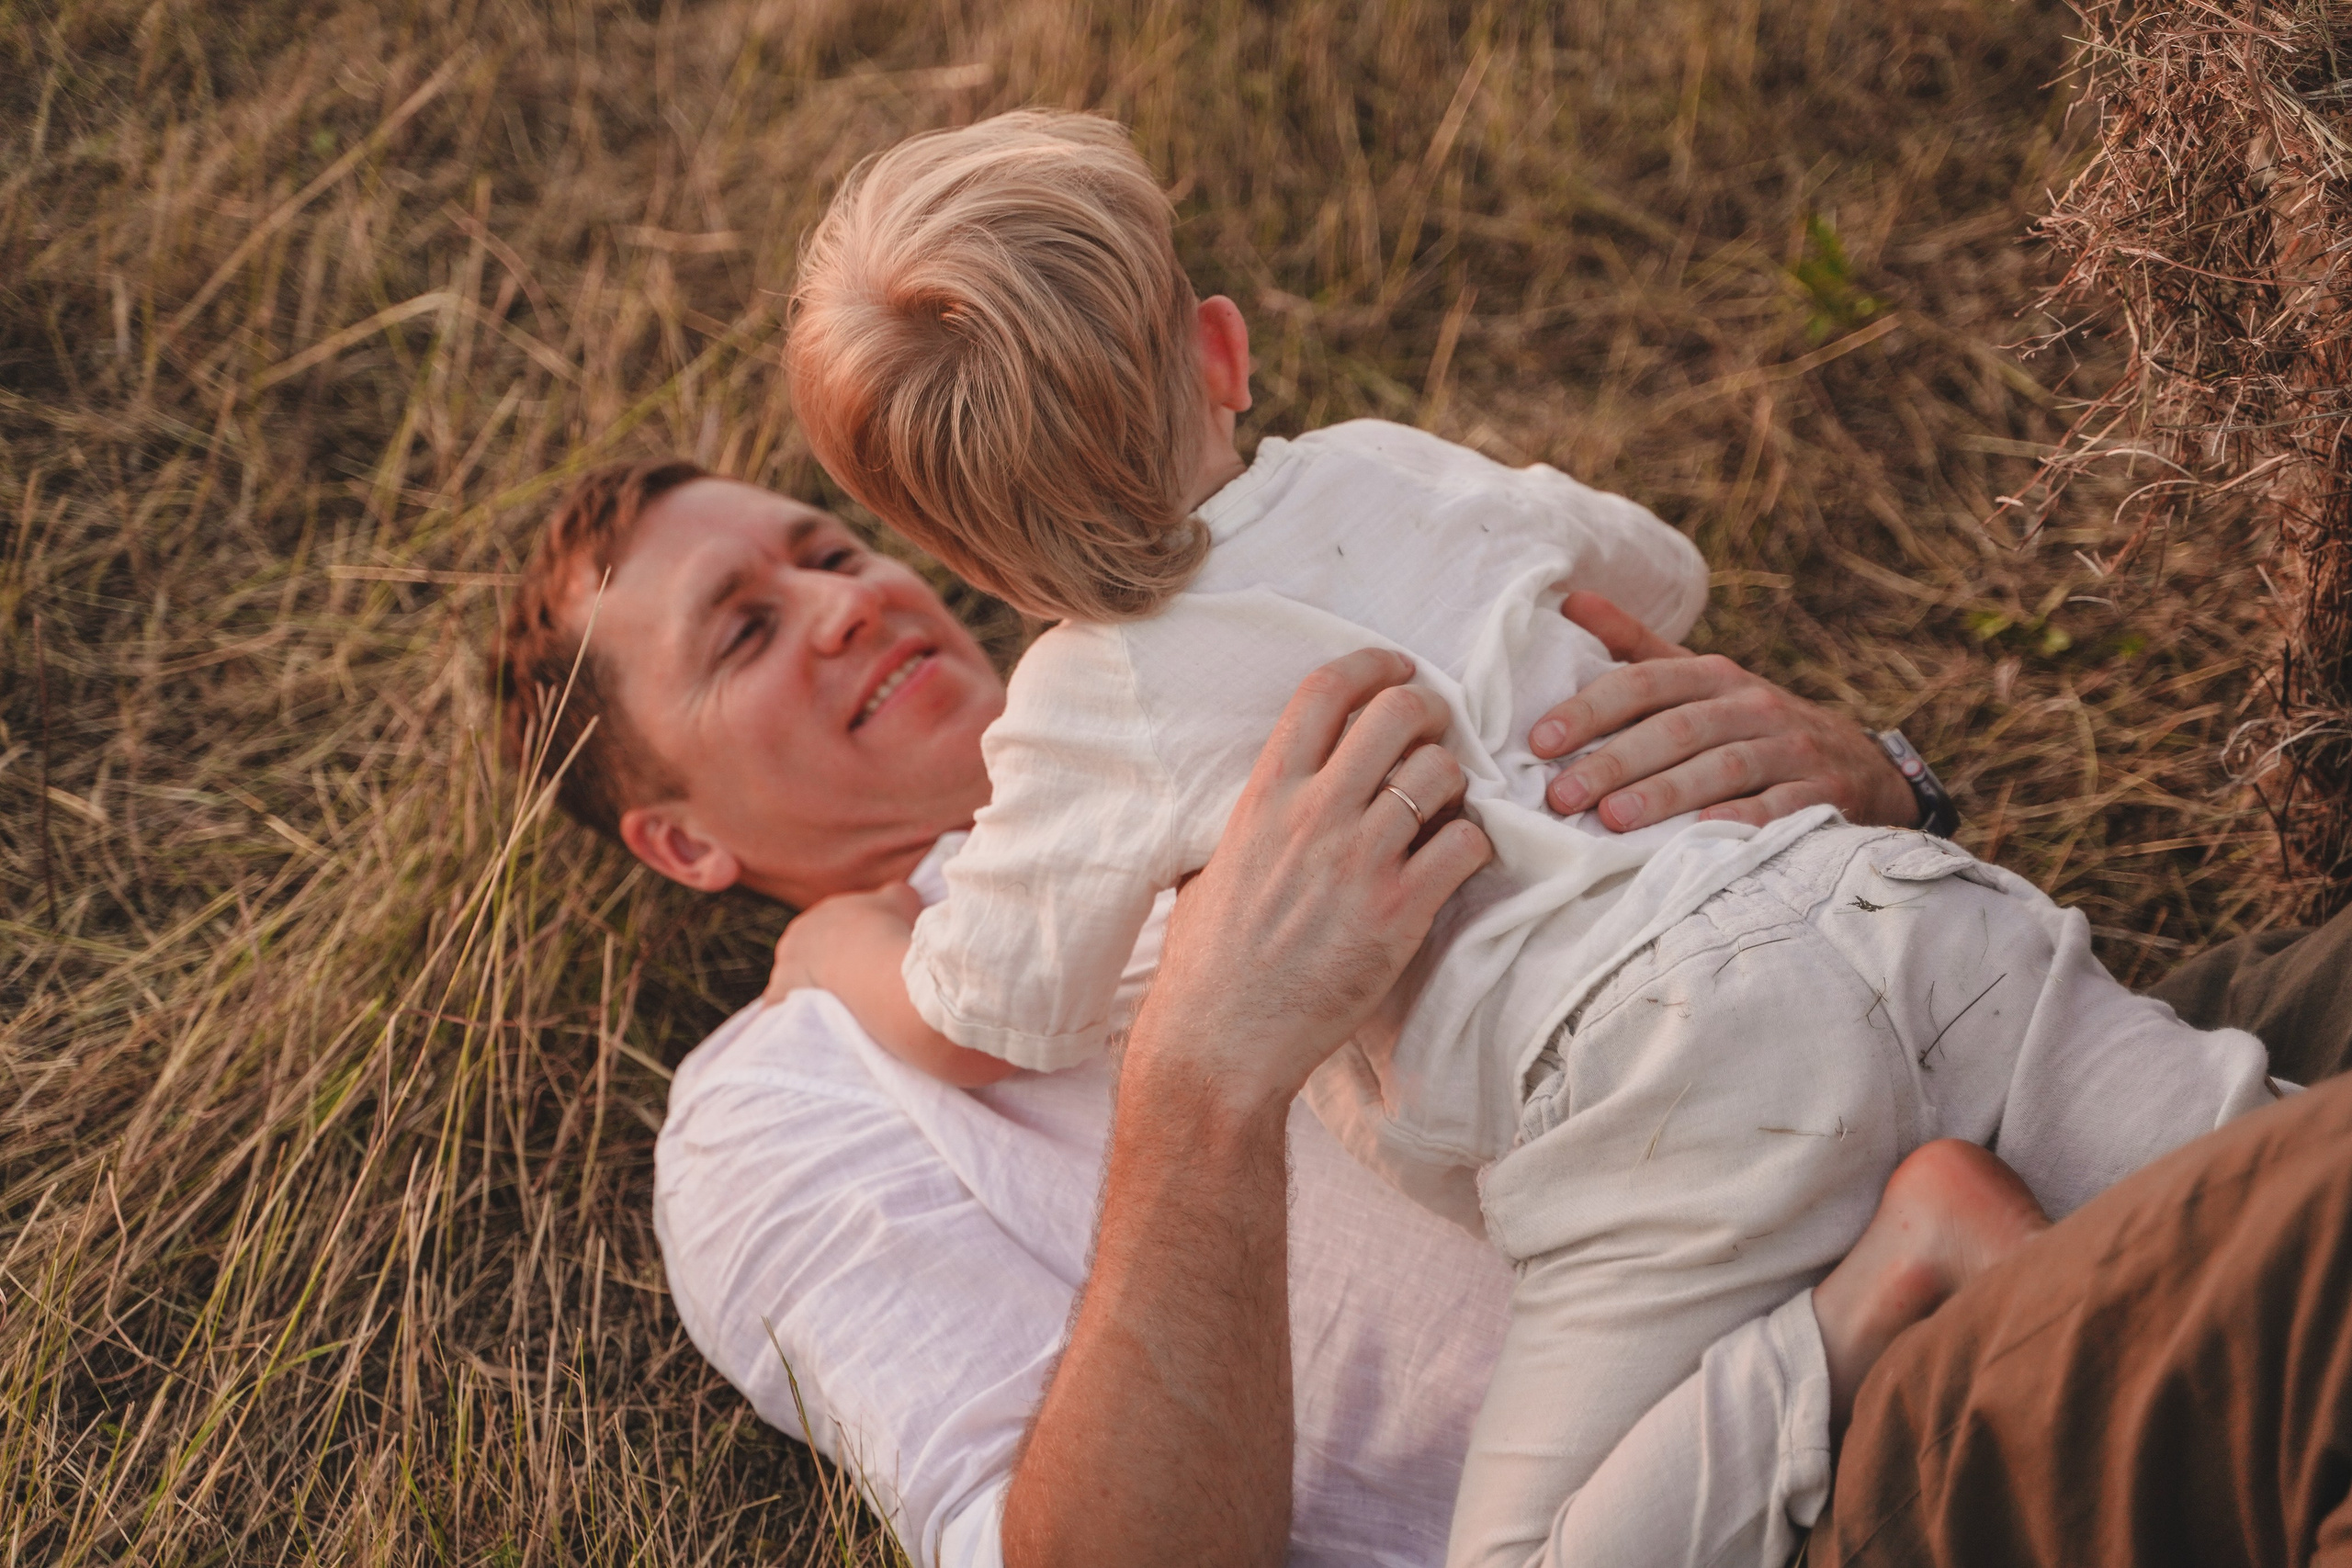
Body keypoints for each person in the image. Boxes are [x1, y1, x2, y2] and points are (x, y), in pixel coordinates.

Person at [775, 110, 2278, 1564]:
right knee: (2276, 1181)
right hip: (1878, 898)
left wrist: (846, 943)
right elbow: (1658, 579)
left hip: (1653, 1097)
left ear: (963, 553)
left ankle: (1901, 1274)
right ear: (1221, 350)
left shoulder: (1086, 704)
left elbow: (990, 1015)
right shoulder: (1386, 463)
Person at [495, 462, 2352, 1567]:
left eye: (825, 550)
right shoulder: (785, 1104)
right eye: (742, 630)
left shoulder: (1203, 657)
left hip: (2041, 1027)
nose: (838, 603)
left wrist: (1871, 780)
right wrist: (1207, 1069)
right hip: (1820, 1437)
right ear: (680, 839)